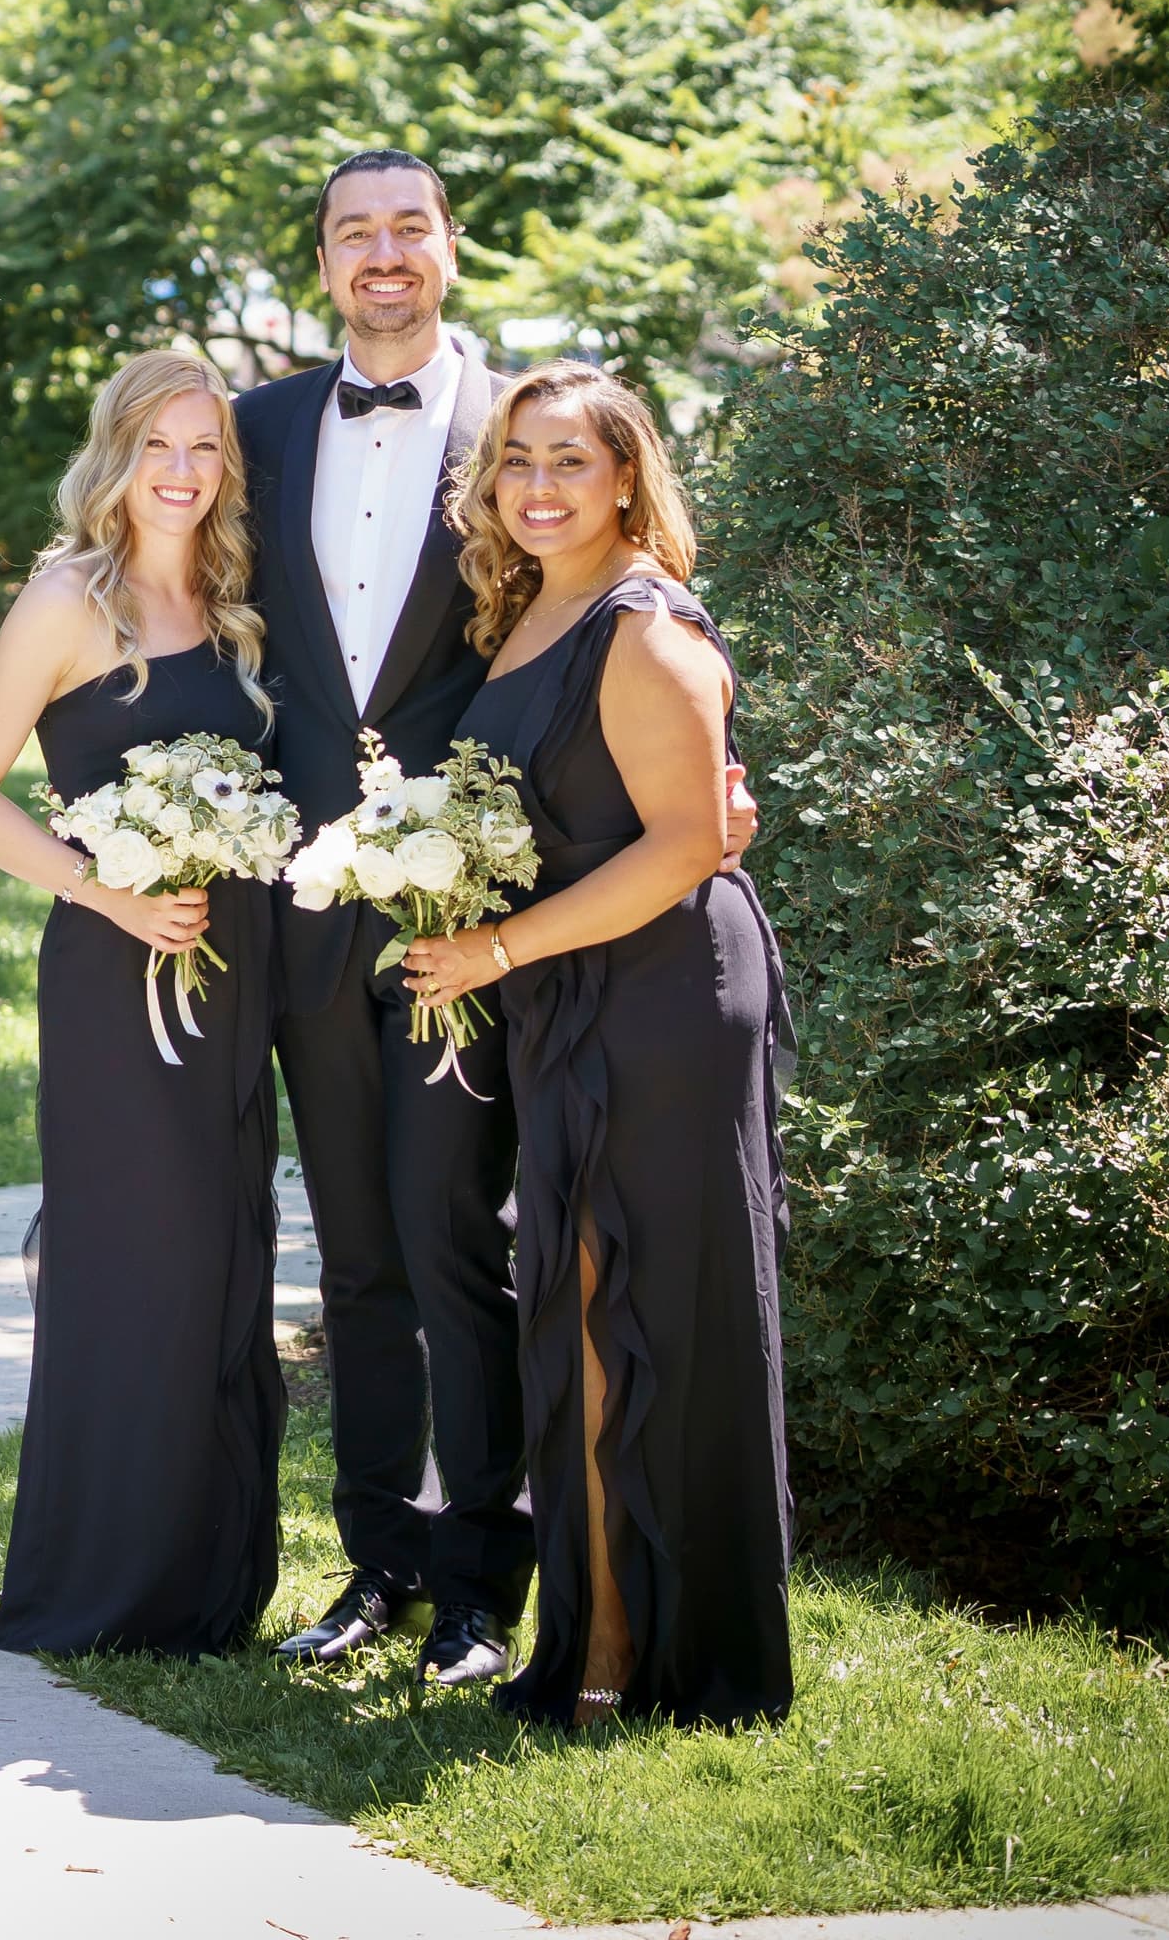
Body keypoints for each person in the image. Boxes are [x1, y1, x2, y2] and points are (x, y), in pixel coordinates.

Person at [239, 152, 760, 1687]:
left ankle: (482, 1583)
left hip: (479, 920)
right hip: (309, 906)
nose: (382, 253)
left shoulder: (524, 430)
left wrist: (706, 801)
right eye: (353, 232)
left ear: (449, 248)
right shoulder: (262, 429)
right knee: (356, 1256)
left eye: (409, 226)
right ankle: (377, 1565)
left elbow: (624, 651)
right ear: (324, 262)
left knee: (460, 1237)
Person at [402, 362, 794, 1732]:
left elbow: (686, 847)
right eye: (516, 459)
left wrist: (496, 949)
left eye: (570, 460)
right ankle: (593, 1630)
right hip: (569, 986)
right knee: (575, 1311)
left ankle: (643, 1653)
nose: (538, 486)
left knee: (635, 1312)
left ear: (628, 475)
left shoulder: (645, 625)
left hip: (661, 994)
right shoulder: (529, 610)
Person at [0, 352, 285, 1656]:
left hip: (232, 970)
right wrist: (104, 890)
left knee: (221, 1255)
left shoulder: (235, 600)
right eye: (158, 447)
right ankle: (103, 1584)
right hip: (115, 973)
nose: (182, 472)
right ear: (117, 458)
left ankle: (206, 1582)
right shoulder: (68, 601)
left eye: (205, 448)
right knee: (133, 1258)